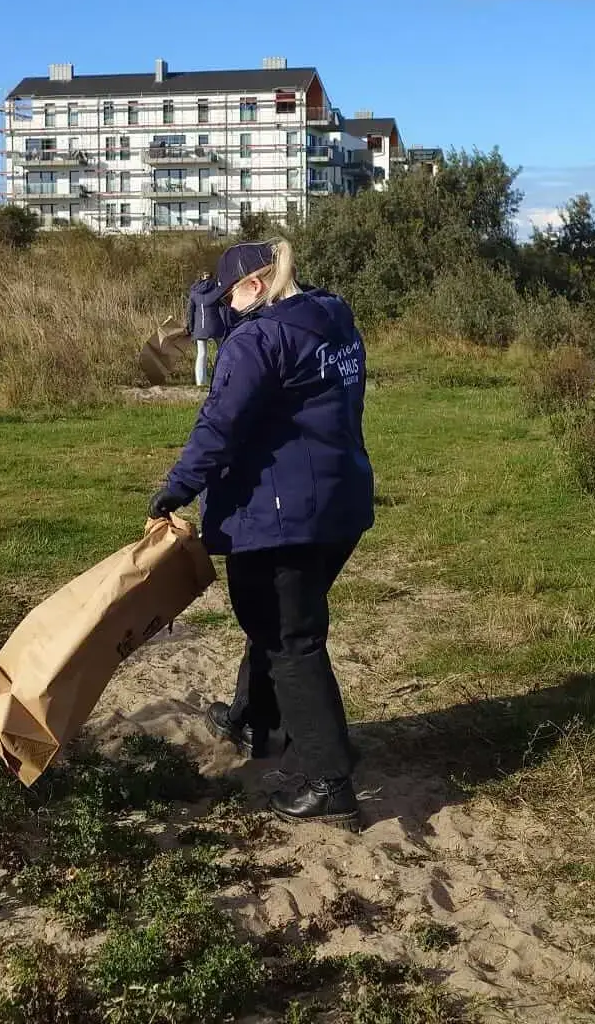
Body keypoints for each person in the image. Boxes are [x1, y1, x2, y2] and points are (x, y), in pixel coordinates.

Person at [150, 239, 374, 826]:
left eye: (229, 296)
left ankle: (328, 779)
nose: (224, 308)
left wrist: (175, 490)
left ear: (253, 286)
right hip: (339, 503)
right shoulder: (334, 318)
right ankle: (254, 719)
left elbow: (218, 426)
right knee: (272, 619)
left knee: (291, 638)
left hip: (282, 514)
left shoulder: (256, 339)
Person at [187, 269, 236, 387]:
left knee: (201, 354)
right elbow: (226, 305)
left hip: (200, 327)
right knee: (222, 351)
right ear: (211, 277)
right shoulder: (217, 290)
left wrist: (190, 327)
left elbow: (190, 312)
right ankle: (221, 378)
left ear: (200, 277)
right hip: (216, 326)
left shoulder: (194, 292)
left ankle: (200, 382)